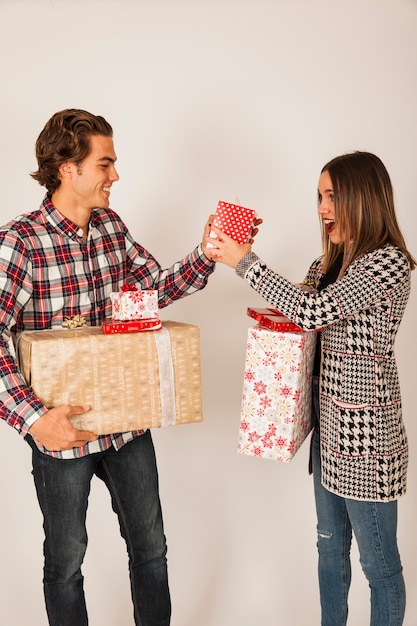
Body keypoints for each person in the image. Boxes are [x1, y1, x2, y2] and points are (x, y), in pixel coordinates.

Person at [0, 108, 221, 626]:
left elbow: (156, 289)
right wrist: (34, 419)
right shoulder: (19, 244)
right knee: (66, 562)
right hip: (63, 430)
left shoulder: (110, 228)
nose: (115, 175)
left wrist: (207, 253)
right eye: (106, 163)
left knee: (151, 549)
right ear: (67, 168)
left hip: (127, 424)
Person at [206, 151, 415, 626]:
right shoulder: (330, 262)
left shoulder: (387, 265)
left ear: (363, 197)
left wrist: (246, 263)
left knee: (378, 567)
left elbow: (313, 312)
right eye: (320, 196)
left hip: (368, 444)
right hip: (329, 437)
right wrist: (232, 248)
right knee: (329, 553)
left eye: (333, 196)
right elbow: (300, 309)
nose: (322, 208)